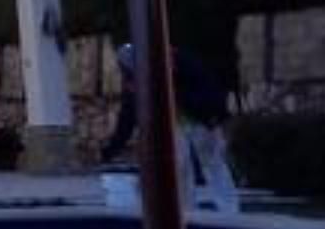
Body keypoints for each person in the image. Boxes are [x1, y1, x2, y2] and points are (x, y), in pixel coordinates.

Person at [102, 42, 240, 214]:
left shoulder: (178, 61)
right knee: (180, 166)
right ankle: (185, 210)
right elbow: (128, 117)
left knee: (212, 163)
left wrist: (218, 115)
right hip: (176, 123)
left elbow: (207, 85)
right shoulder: (134, 81)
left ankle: (229, 209)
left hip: (201, 118)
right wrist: (111, 149)